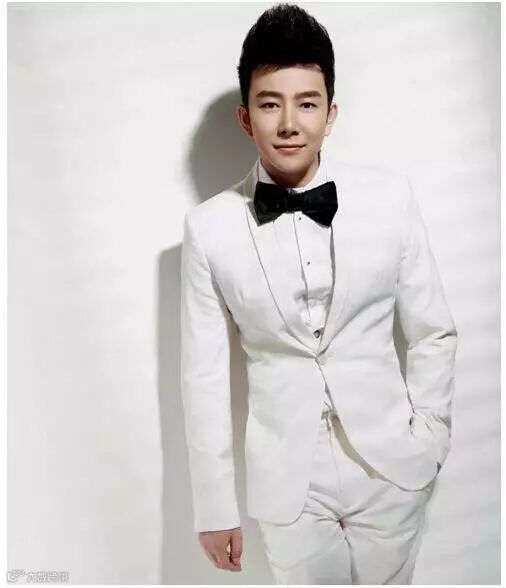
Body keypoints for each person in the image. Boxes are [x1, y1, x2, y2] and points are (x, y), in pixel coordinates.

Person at [180, 3, 457, 584]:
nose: (289, 123)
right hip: (288, 484)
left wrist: (430, 439)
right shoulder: (209, 230)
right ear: (245, 117)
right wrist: (214, 508)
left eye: (306, 103)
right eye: (269, 104)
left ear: (330, 114)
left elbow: (433, 331)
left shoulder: (391, 199)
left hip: (391, 466)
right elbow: (203, 378)